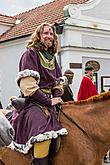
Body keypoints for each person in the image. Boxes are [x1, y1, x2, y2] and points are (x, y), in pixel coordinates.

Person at [9, 22, 68, 165]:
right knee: (43, 134)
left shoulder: (52, 58)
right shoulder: (30, 54)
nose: (49, 36)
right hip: (33, 103)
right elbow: (28, 86)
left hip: (51, 102)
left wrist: (56, 94)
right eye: (46, 33)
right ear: (39, 36)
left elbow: (58, 82)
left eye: (51, 34)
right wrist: (48, 101)